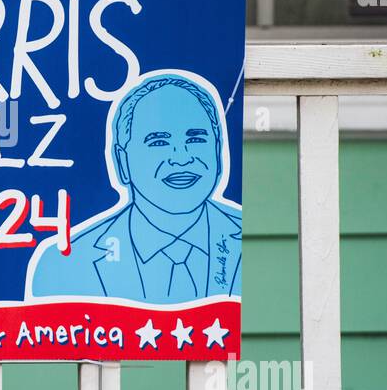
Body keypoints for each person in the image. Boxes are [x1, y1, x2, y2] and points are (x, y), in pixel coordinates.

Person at [29, 71, 241, 301]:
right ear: (122, 162)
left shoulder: (256, 243)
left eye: (196, 139)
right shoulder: (64, 266)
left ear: (218, 150)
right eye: (159, 142)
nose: (181, 158)